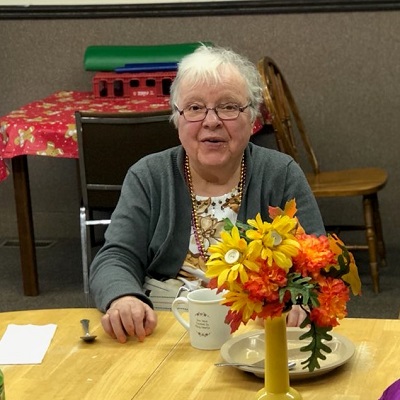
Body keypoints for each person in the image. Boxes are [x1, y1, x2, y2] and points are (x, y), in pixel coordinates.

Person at [89, 44, 326, 343]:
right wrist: (123, 297)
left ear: (252, 119)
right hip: (164, 325)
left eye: (228, 107)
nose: (211, 121)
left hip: (257, 330)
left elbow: (318, 260)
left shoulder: (281, 173)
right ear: (177, 118)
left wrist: (303, 300)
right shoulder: (148, 175)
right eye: (195, 108)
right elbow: (116, 256)